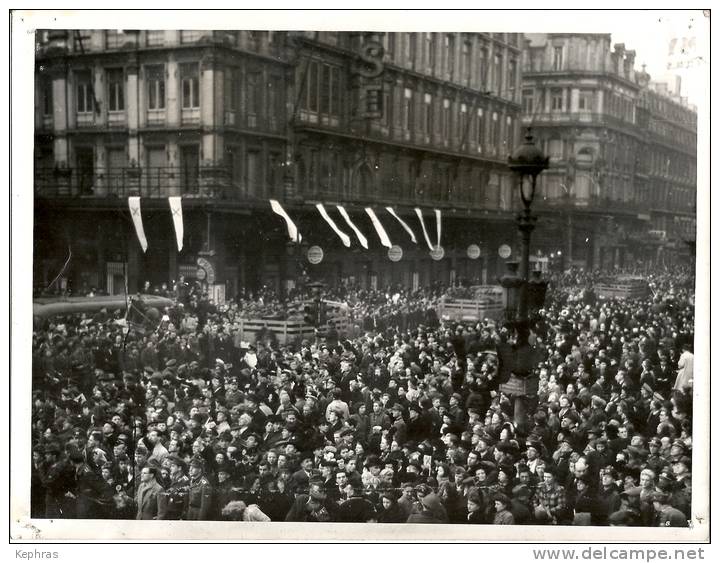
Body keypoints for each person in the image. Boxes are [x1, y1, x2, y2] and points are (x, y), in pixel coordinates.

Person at [186, 456, 214, 521]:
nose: (190, 470)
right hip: (190, 513)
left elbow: (204, 506)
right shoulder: (192, 481)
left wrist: (200, 520)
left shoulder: (204, 484)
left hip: (198, 514)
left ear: (199, 470)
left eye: (193, 468)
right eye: (190, 467)